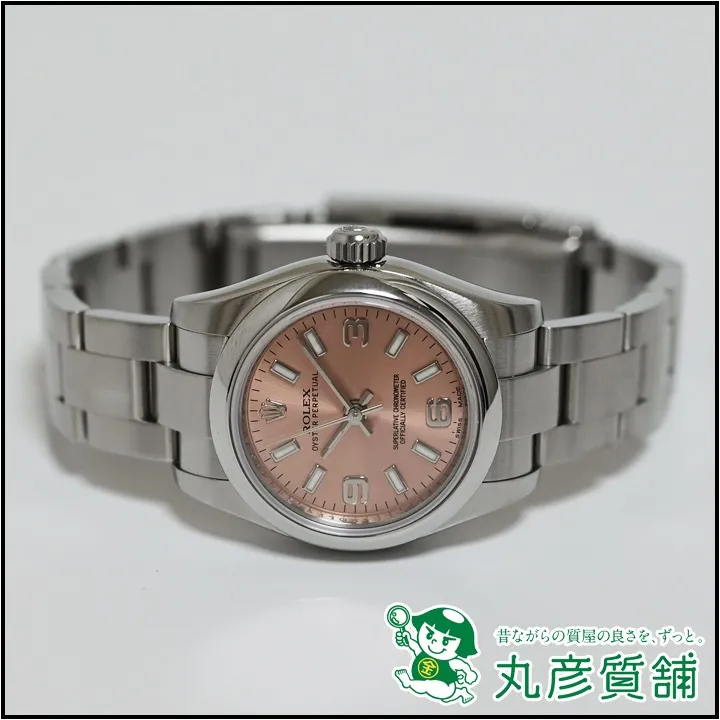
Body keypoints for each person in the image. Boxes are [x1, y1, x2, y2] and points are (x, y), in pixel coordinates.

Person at [393, 605, 479, 705]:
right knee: (443, 696)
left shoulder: (453, 662)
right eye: (429, 635)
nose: (434, 642)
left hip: (446, 686)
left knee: (430, 686)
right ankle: (462, 692)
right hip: (430, 686)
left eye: (445, 641)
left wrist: (469, 675)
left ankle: (408, 682)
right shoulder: (422, 653)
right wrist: (407, 640)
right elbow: (414, 646)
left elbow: (466, 669)